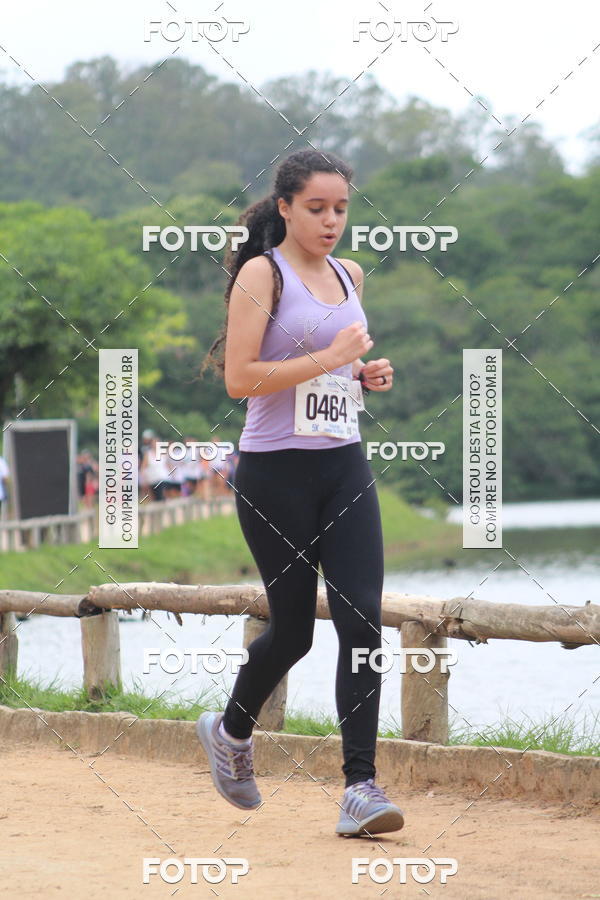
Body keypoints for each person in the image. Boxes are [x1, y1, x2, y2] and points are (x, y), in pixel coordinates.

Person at [195, 149, 402, 837]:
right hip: (274, 474)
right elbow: (242, 378)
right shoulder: (263, 274)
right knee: (291, 634)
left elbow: (332, 371)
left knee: (363, 622)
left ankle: (361, 788)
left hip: (344, 466)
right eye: (316, 208)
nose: (331, 221)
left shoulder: (350, 273)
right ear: (285, 207)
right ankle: (230, 732)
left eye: (341, 208)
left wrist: (363, 373)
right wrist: (334, 358)